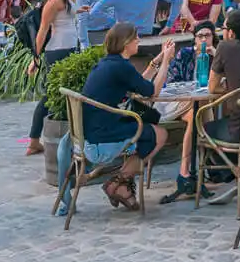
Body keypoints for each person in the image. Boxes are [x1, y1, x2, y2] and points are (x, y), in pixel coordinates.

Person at [55, 23, 175, 213]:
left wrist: (158, 60)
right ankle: (118, 183)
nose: (138, 41)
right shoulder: (121, 67)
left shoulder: (110, 63)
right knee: (160, 134)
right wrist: (167, 61)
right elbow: (152, 92)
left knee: (147, 131)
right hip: (100, 138)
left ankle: (121, 185)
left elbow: (139, 84)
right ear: (125, 43)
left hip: (92, 130)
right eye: (135, 38)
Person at [163, 7, 240, 204]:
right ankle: (230, 171)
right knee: (209, 119)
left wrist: (230, 87)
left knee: (201, 127)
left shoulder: (225, 47)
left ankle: (205, 176)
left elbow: (212, 87)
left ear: (230, 32)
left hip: (237, 130)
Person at [26, 0, 82, 155]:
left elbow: (67, 19)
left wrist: (81, 10)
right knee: (50, 95)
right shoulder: (54, 1)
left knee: (64, 92)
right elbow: (42, 30)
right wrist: (36, 58)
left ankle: (61, 136)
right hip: (57, 50)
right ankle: (34, 140)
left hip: (68, 47)